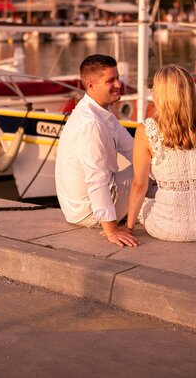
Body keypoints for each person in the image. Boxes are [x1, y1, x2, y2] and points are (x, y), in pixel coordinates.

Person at [126, 65, 196, 242]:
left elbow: (139, 186)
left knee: (146, 204)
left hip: (169, 228)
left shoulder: (147, 130)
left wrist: (128, 227)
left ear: (160, 94)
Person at [55, 54, 139, 247]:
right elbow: (97, 178)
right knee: (148, 170)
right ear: (91, 85)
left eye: (118, 78)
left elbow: (134, 151)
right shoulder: (90, 124)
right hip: (88, 212)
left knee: (148, 164)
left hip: (86, 205)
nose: (118, 84)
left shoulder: (102, 112)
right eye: (111, 81)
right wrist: (111, 230)